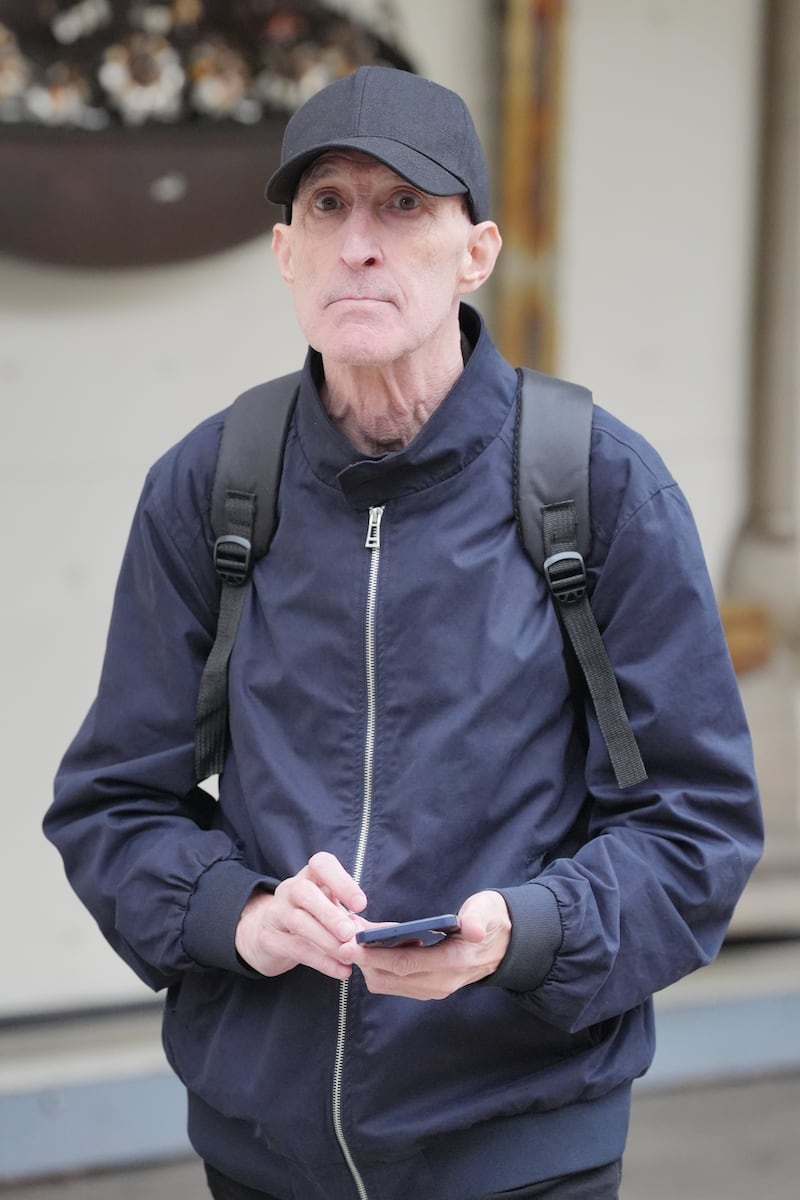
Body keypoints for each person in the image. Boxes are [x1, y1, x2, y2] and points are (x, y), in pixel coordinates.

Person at [44, 66, 763, 1200]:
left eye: (402, 206)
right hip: (262, 1152)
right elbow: (113, 804)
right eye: (325, 205)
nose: (358, 243)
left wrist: (523, 931)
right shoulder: (210, 488)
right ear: (284, 252)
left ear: (472, 252)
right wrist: (247, 916)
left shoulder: (594, 486)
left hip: (518, 1143)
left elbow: (695, 825)